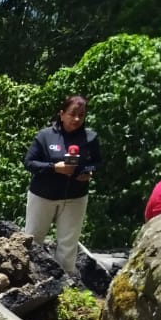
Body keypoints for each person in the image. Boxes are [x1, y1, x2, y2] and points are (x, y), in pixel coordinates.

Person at [23, 95, 102, 275]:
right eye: (72, 114)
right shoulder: (46, 136)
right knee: (33, 240)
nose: (76, 119)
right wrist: (54, 168)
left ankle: (64, 284)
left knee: (68, 244)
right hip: (42, 196)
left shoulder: (90, 137)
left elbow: (97, 162)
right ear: (61, 114)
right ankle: (28, 277)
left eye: (81, 115)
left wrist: (88, 171)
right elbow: (29, 162)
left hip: (75, 197)